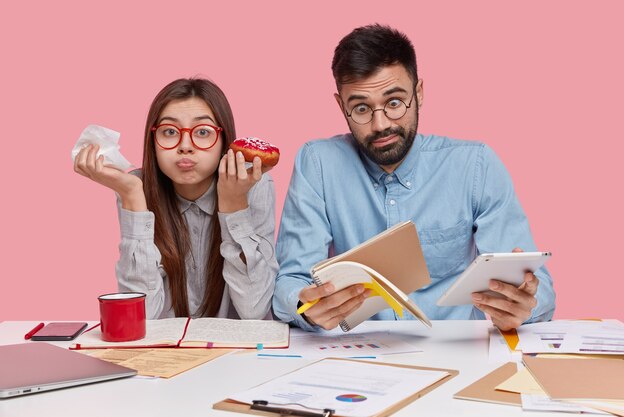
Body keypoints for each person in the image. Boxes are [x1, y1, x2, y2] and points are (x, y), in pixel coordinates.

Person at [273, 24, 555, 332]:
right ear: (341, 106)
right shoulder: (318, 164)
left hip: (459, 356)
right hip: (358, 355)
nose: (380, 124)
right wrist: (306, 307)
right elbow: (290, 282)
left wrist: (523, 305)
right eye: (361, 108)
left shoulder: (475, 166)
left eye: (394, 103)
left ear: (418, 94)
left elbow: (539, 292)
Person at [74, 78, 278, 319]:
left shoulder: (253, 185)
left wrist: (234, 205)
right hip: (165, 353)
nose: (185, 146)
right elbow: (141, 316)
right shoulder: (135, 189)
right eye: (170, 132)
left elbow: (255, 310)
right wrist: (131, 198)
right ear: (153, 140)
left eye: (203, 132)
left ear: (225, 140)